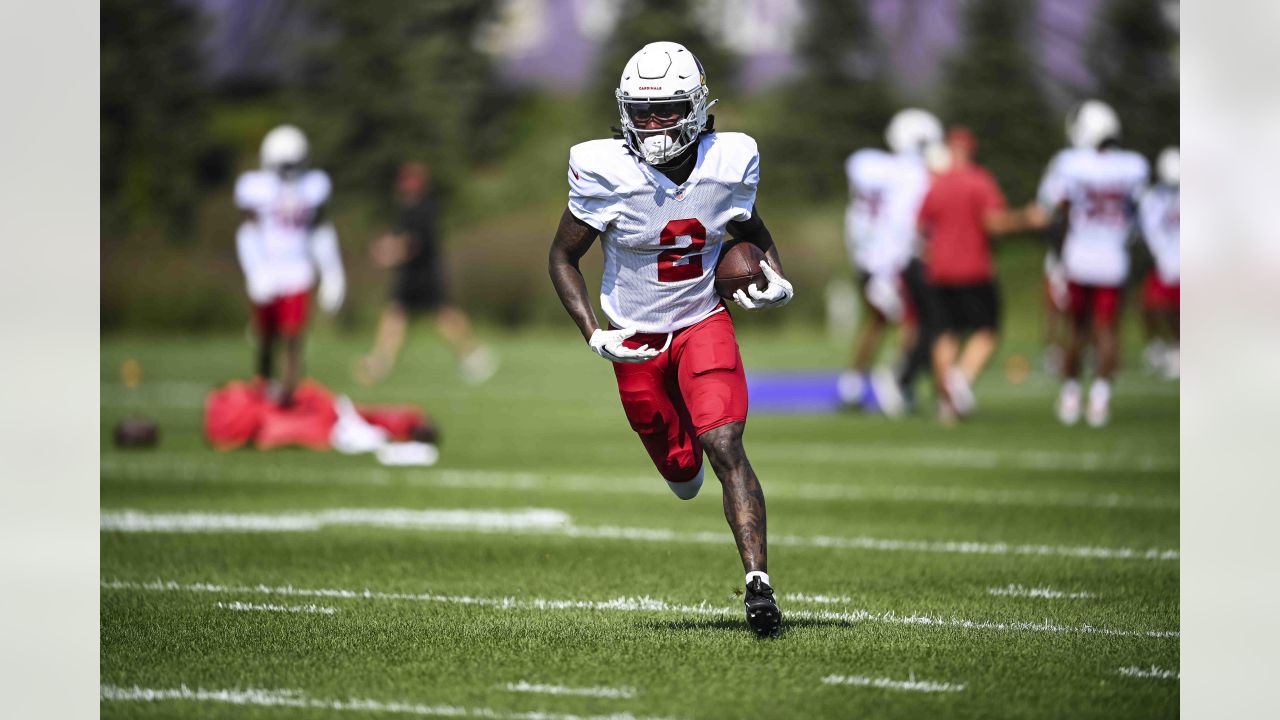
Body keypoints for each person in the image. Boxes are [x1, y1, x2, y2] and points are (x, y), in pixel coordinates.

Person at [546, 41, 792, 638]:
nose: (653, 124)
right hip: (635, 337)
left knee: (726, 443)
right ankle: (682, 461)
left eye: (668, 109)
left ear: (699, 107)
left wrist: (776, 277)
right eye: (641, 110)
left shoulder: (728, 162)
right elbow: (561, 257)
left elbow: (751, 232)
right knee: (684, 475)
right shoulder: (604, 169)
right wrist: (593, 334)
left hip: (703, 318)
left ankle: (759, 587)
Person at [1035, 100, 1149, 427]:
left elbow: (1054, 209)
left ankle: (1071, 394)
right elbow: (1139, 214)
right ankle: (1100, 399)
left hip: (1079, 257)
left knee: (1077, 329)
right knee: (1107, 330)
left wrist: (1056, 253)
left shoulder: (1070, 163)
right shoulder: (1133, 166)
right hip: (1113, 259)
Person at [917, 126, 1040, 422]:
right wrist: (1026, 219)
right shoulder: (980, 181)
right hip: (973, 268)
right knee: (987, 330)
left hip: (939, 270)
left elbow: (921, 227)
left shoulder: (937, 184)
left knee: (946, 334)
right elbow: (994, 223)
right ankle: (959, 381)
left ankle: (947, 404)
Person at [837, 109, 943, 416]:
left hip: (865, 257)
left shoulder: (867, 164)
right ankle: (898, 381)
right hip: (894, 260)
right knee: (913, 322)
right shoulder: (913, 175)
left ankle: (853, 385)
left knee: (877, 321)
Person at [357, 162, 496, 385]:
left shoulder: (424, 209)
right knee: (396, 315)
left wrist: (388, 253)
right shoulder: (408, 209)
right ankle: (381, 362)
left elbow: (413, 243)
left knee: (444, 317)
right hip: (410, 275)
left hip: (425, 274)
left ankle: (474, 354)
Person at [235, 125, 345, 405]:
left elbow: (319, 230)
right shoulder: (256, 187)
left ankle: (288, 392)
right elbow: (247, 232)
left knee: (293, 336)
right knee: (265, 336)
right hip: (268, 270)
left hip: (297, 270)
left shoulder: (313, 186)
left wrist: (332, 272)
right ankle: (262, 385)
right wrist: (255, 271)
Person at [1138, 146, 1180, 379]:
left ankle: (1178, 351)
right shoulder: (1153, 197)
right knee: (1150, 306)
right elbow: (1151, 229)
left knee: (1178, 312)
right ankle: (1157, 347)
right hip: (1165, 261)